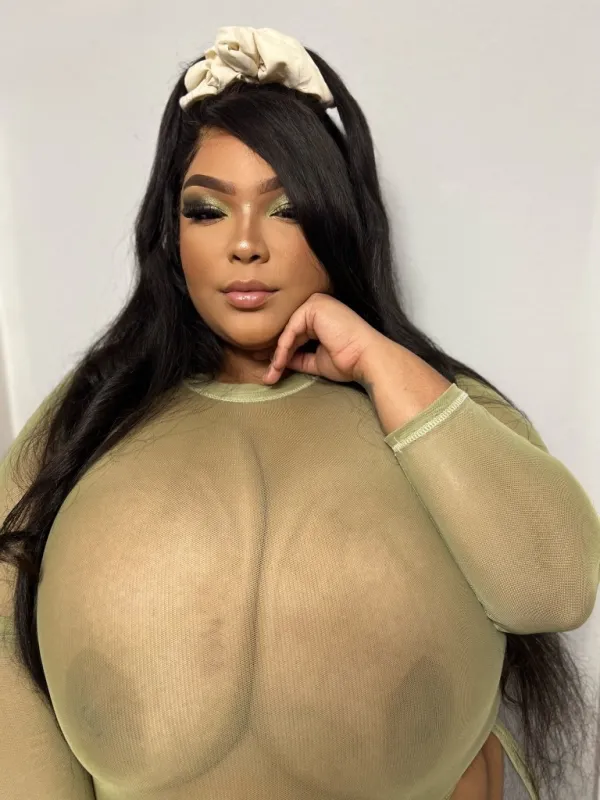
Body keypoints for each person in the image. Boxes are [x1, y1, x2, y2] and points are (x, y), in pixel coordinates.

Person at [0, 25, 598, 800]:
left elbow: (558, 589)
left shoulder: (436, 406)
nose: (246, 245)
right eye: (207, 211)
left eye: (285, 209)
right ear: (169, 235)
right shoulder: (88, 418)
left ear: (338, 222)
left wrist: (381, 363)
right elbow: (8, 650)